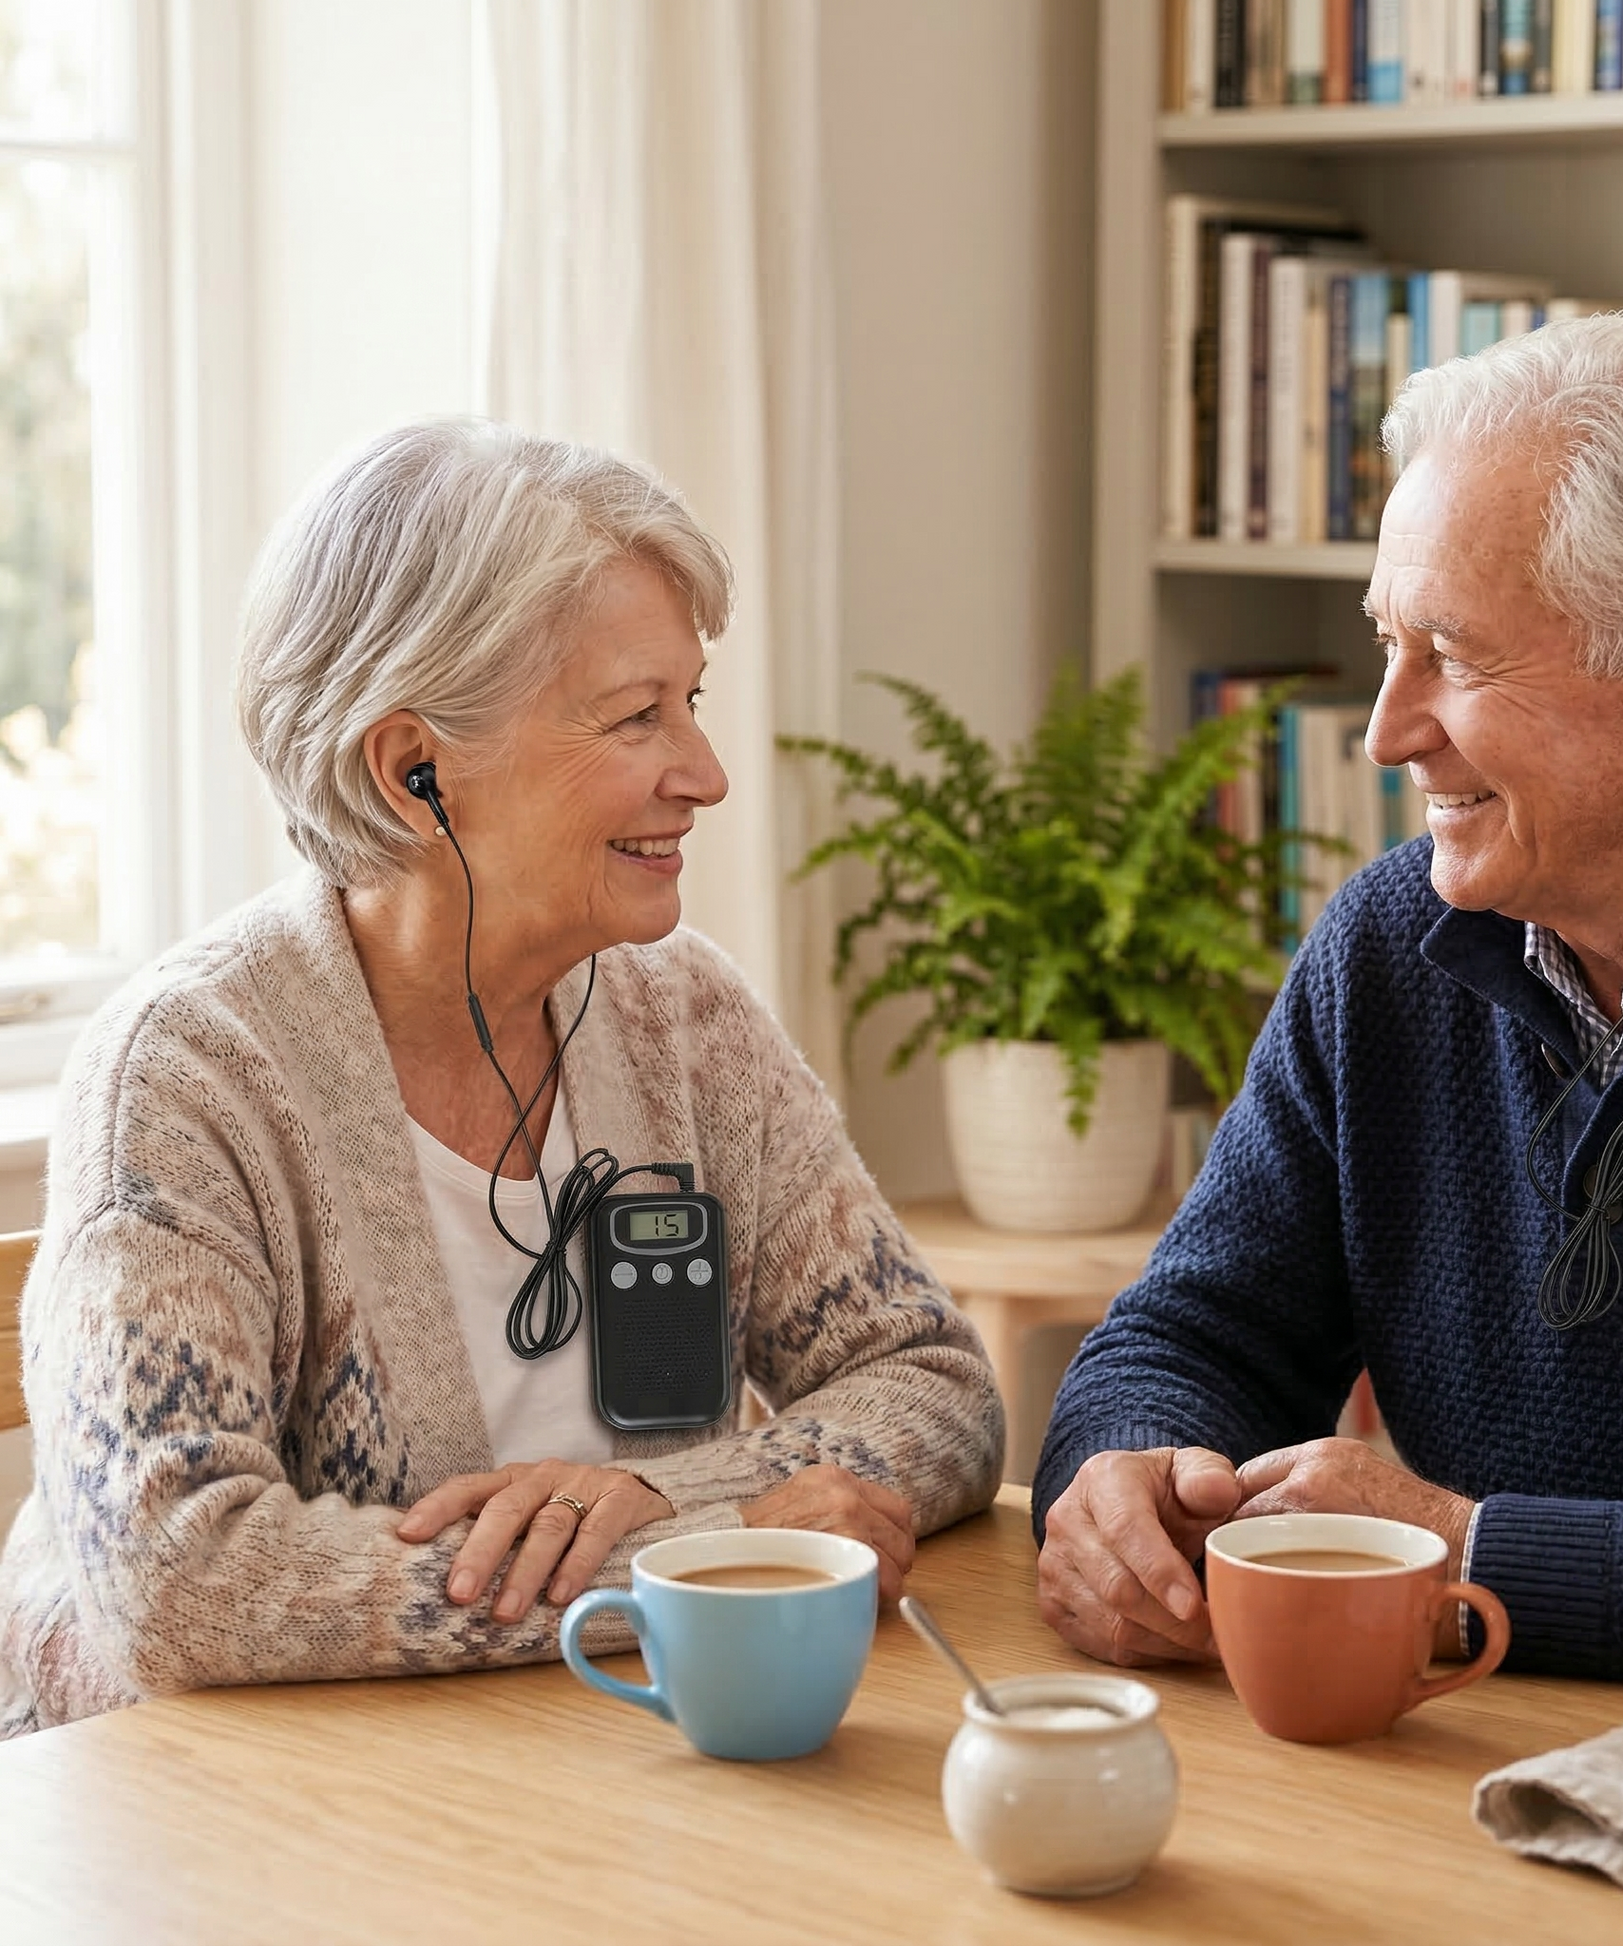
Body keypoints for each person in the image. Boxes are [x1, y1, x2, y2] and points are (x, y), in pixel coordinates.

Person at [0, 421, 1003, 1736]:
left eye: (689, 702)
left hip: (593, 1752)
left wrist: (666, 1498)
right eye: (637, 715)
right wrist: (699, 1551)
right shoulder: (189, 1074)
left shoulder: (678, 1011)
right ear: (414, 773)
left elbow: (932, 1382)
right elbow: (177, 1583)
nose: (700, 773)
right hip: (222, 1822)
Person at [1034, 315, 1623, 1695]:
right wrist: (1133, 1477)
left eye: (1450, 656)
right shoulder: (1386, 945)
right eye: (1385, 645)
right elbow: (1190, 1332)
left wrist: (1475, 1555)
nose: (1383, 730)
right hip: (1456, 1769)